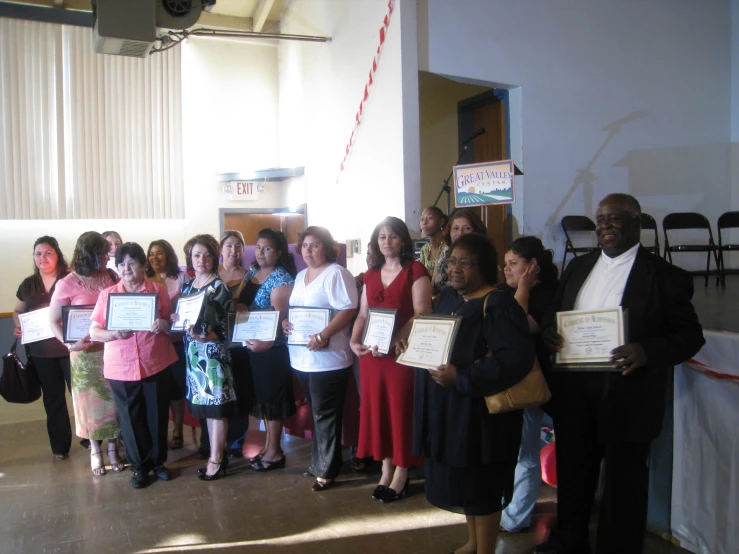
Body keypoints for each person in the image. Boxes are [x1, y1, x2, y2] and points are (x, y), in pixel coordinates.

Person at [533, 194, 705, 554]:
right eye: (600, 219)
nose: (605, 225)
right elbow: (553, 312)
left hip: (630, 392)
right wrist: (550, 329)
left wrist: (646, 351)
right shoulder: (578, 268)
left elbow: (690, 336)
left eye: (615, 218)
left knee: (624, 482)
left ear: (636, 223)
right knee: (575, 472)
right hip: (577, 391)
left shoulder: (664, 276)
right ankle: (569, 541)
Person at [409, 232, 535, 554]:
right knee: (465, 481)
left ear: (484, 267)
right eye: (452, 262)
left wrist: (463, 377)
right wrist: (412, 347)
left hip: (482, 417)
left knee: (483, 483)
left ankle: (486, 548)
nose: (454, 269)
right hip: (451, 413)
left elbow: (515, 360)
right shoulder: (450, 298)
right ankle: (473, 541)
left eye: (465, 263)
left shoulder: (499, 304)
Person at [351, 216, 432, 502]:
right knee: (378, 410)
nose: (387, 242)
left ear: (403, 240)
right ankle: (385, 468)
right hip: (373, 355)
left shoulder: (415, 270)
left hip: (400, 352)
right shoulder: (370, 274)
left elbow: (422, 311)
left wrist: (397, 333)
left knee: (399, 410)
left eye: (393, 236)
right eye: (382, 237)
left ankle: (402, 471)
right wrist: (353, 341)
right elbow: (362, 314)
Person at [90, 243, 177, 489]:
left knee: (157, 416)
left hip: (155, 361)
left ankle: (159, 463)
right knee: (130, 419)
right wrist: (113, 333)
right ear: (116, 268)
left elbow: (169, 323)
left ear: (142, 265)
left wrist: (162, 323)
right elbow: (94, 330)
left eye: (132, 263)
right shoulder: (107, 295)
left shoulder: (158, 291)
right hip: (121, 366)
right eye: (121, 264)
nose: (126, 269)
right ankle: (139, 467)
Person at [283, 227, 357, 491]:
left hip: (329, 358)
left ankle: (326, 469)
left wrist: (324, 334)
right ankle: (321, 461)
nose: (309, 250)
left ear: (327, 247)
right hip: (302, 357)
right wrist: (286, 324)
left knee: (326, 412)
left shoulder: (336, 273)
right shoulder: (301, 275)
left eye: (315, 245)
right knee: (317, 411)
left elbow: (348, 309)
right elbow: (296, 310)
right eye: (305, 245)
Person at [49, 231, 123, 476]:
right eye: (102, 252)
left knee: (113, 402)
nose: (106, 256)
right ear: (89, 254)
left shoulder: (111, 276)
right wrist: (69, 344)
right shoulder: (67, 282)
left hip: (111, 351)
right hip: (84, 354)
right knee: (90, 405)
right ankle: (95, 450)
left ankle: (113, 448)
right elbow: (53, 321)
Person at [498, 236, 559, 533]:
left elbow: (517, 327)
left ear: (533, 266)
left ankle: (515, 517)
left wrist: (523, 287)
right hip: (503, 383)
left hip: (532, 386)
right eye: (505, 264)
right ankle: (502, 506)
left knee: (525, 452)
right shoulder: (502, 291)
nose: (506, 270)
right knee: (506, 451)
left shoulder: (547, 295)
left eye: (514, 264)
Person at [173, 234, 236, 481]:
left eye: (207, 255)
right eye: (197, 255)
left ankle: (217, 459)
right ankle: (215, 454)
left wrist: (207, 336)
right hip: (193, 356)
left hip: (213, 356)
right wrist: (178, 321)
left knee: (217, 410)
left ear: (214, 258)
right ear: (190, 257)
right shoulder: (188, 286)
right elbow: (183, 317)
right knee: (208, 410)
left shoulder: (218, 287)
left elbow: (228, 324)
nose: (202, 259)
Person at [237, 229, 297, 473]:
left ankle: (275, 451)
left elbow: (280, 319)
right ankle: (268, 447)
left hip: (272, 351)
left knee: (272, 401)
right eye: (258, 247)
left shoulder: (281, 279)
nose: (261, 252)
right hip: (251, 347)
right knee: (262, 400)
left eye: (268, 248)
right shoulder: (252, 273)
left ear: (279, 252)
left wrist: (266, 343)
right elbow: (242, 304)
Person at [13, 236, 72, 461]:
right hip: (41, 353)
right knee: (53, 398)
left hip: (70, 348)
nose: (43, 258)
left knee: (81, 395)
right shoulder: (28, 284)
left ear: (58, 255)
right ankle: (60, 446)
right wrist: (19, 325)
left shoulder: (69, 279)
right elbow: (18, 311)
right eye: (38, 254)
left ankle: (90, 440)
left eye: (48, 253)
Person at [145, 239, 189, 450]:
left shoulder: (180, 277)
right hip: (154, 343)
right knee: (158, 391)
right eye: (151, 254)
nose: (155, 257)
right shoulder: (144, 279)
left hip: (177, 341)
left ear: (168, 255)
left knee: (176, 389)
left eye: (159, 253)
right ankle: (158, 433)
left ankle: (178, 429)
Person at [213, 230, 253, 459]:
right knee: (217, 391)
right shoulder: (211, 273)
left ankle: (237, 440)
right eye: (229, 245)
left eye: (239, 245)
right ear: (221, 249)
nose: (234, 250)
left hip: (238, 343)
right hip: (214, 342)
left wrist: (245, 309)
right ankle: (213, 440)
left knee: (239, 391)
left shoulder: (250, 277)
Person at [431, 208, 487, 296]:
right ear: (449, 232)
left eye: (467, 228)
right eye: (456, 228)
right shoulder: (446, 253)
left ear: (476, 231)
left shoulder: (483, 256)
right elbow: (433, 285)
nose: (460, 233)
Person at [418, 206, 448, 274]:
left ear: (441, 222)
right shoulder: (424, 249)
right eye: (422, 219)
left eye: (429, 218)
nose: (424, 222)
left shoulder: (447, 247)